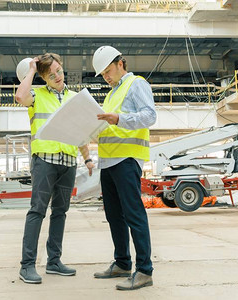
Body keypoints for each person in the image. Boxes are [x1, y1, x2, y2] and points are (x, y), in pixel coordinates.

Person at [15, 53, 95, 284]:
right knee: (37, 211)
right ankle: (27, 265)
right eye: (51, 75)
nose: (58, 77)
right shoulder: (35, 95)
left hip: (68, 162)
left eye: (59, 71)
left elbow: (80, 133)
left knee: (60, 212)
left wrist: (87, 159)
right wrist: (31, 69)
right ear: (43, 78)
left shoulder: (73, 97)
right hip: (45, 161)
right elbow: (20, 96)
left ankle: (54, 262)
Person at [91, 46, 157, 290]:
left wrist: (119, 119)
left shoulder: (136, 84)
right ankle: (122, 263)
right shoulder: (111, 94)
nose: (106, 77)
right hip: (108, 162)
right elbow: (109, 126)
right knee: (113, 216)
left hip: (127, 159)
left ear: (121, 63)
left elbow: (149, 116)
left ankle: (145, 270)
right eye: (103, 74)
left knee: (133, 214)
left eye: (108, 71)